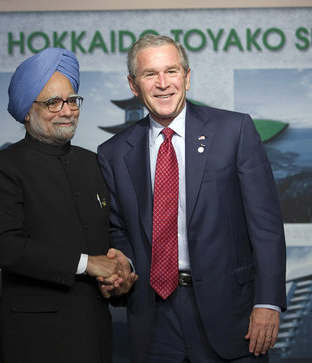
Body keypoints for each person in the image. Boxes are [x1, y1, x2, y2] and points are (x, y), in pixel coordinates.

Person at [97, 34, 287, 362]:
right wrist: (122, 266)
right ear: (133, 84)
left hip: (232, 313)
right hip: (154, 316)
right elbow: (119, 230)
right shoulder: (113, 153)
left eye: (171, 71)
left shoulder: (234, 131)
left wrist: (267, 302)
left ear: (187, 77)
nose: (162, 83)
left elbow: (265, 225)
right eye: (149, 74)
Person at [0, 47, 135, 363]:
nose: (67, 110)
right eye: (53, 102)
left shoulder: (94, 163)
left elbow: (114, 232)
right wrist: (89, 264)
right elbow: (7, 247)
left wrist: (123, 270)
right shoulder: (1, 168)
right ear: (26, 111)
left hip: (95, 334)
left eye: (72, 100)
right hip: (36, 338)